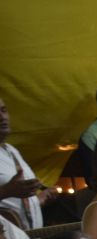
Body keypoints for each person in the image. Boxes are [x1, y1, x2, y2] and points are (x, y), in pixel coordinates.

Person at [0, 96, 49, 230]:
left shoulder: (11, 150)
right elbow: (9, 192)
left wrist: (38, 200)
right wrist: (6, 191)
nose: (2, 117)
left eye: (3, 110)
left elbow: (14, 201)